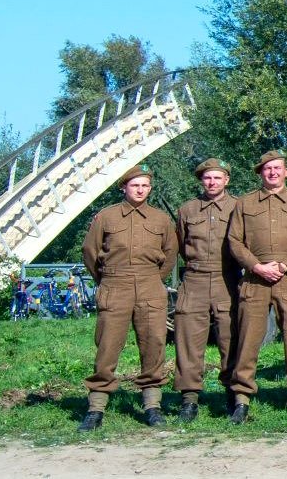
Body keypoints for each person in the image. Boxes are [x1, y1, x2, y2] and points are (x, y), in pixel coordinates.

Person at [77, 165, 178, 431]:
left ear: (150, 189)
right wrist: (106, 279)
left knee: (153, 344)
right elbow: (90, 250)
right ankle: (96, 408)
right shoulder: (106, 217)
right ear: (124, 187)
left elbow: (170, 252)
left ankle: (153, 406)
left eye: (145, 185)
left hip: (149, 285)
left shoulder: (160, 220)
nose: (140, 190)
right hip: (115, 284)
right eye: (135, 185)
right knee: (108, 346)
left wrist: (154, 278)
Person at [224, 151, 287, 423]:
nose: (272, 173)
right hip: (255, 279)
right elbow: (234, 241)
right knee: (249, 339)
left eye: (277, 168)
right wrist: (256, 266)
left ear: (286, 172)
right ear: (260, 173)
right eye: (267, 169)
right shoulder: (245, 203)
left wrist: (286, 265)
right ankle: (241, 400)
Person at [173, 158, 236, 423]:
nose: (212, 183)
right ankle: (189, 400)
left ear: (226, 180)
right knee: (188, 341)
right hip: (195, 278)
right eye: (207, 178)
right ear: (201, 181)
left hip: (227, 277)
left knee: (231, 338)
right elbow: (175, 245)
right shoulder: (187, 209)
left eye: (217, 178)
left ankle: (234, 396)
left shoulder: (239, 207)